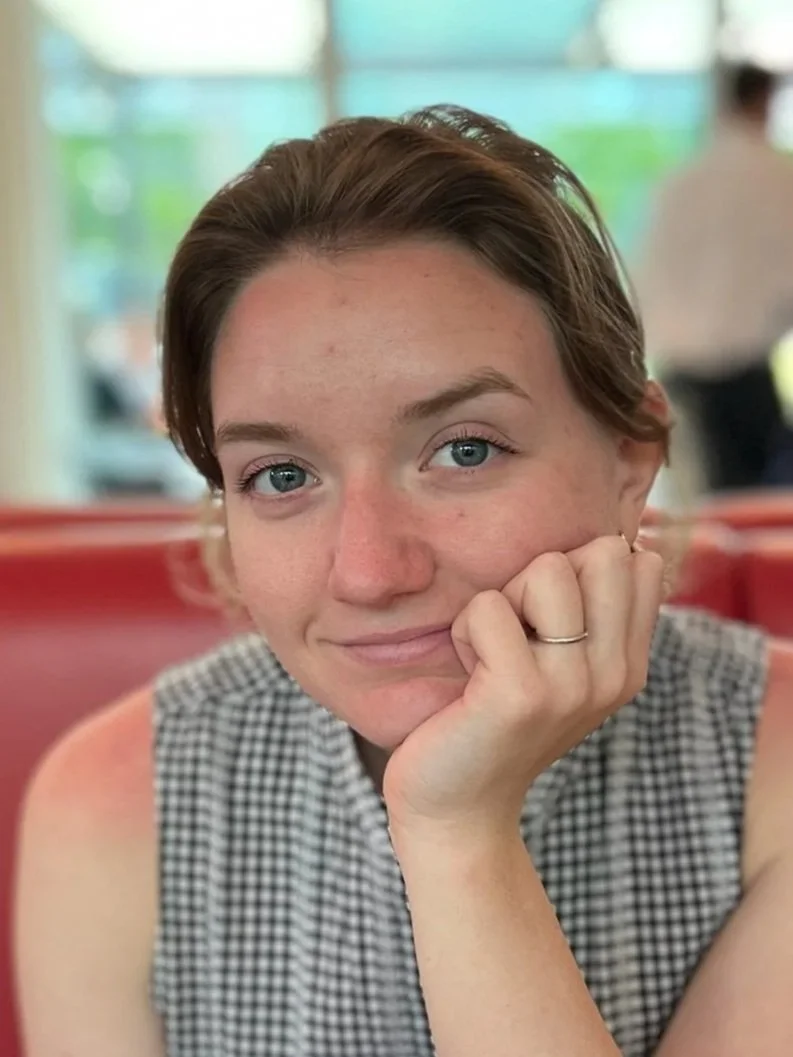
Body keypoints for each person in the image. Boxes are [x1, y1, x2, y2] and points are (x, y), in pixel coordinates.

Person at [14, 107, 793, 1057]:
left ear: (631, 457)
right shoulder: (114, 806)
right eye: (282, 476)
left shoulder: (770, 771)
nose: (371, 571)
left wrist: (459, 834)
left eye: (464, 449)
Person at [637, 63, 793, 493]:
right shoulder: (778, 178)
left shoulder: (678, 180)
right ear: (764, 101)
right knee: (754, 506)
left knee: (695, 507)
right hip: (742, 377)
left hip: (676, 374)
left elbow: (648, 274)